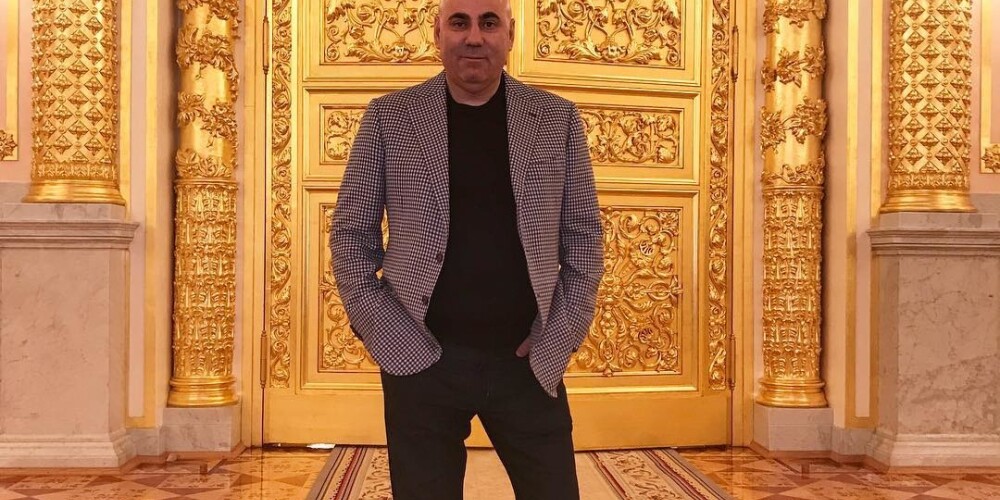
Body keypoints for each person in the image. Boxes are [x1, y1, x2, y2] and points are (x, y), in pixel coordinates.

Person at [330, 0, 603, 495]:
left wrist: (559, 335)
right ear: (438, 34)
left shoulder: (556, 119)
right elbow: (351, 236)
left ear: (510, 35)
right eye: (459, 23)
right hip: (420, 358)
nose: (474, 36)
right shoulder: (389, 117)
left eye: (488, 23)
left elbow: (583, 238)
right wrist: (385, 332)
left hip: (528, 362)